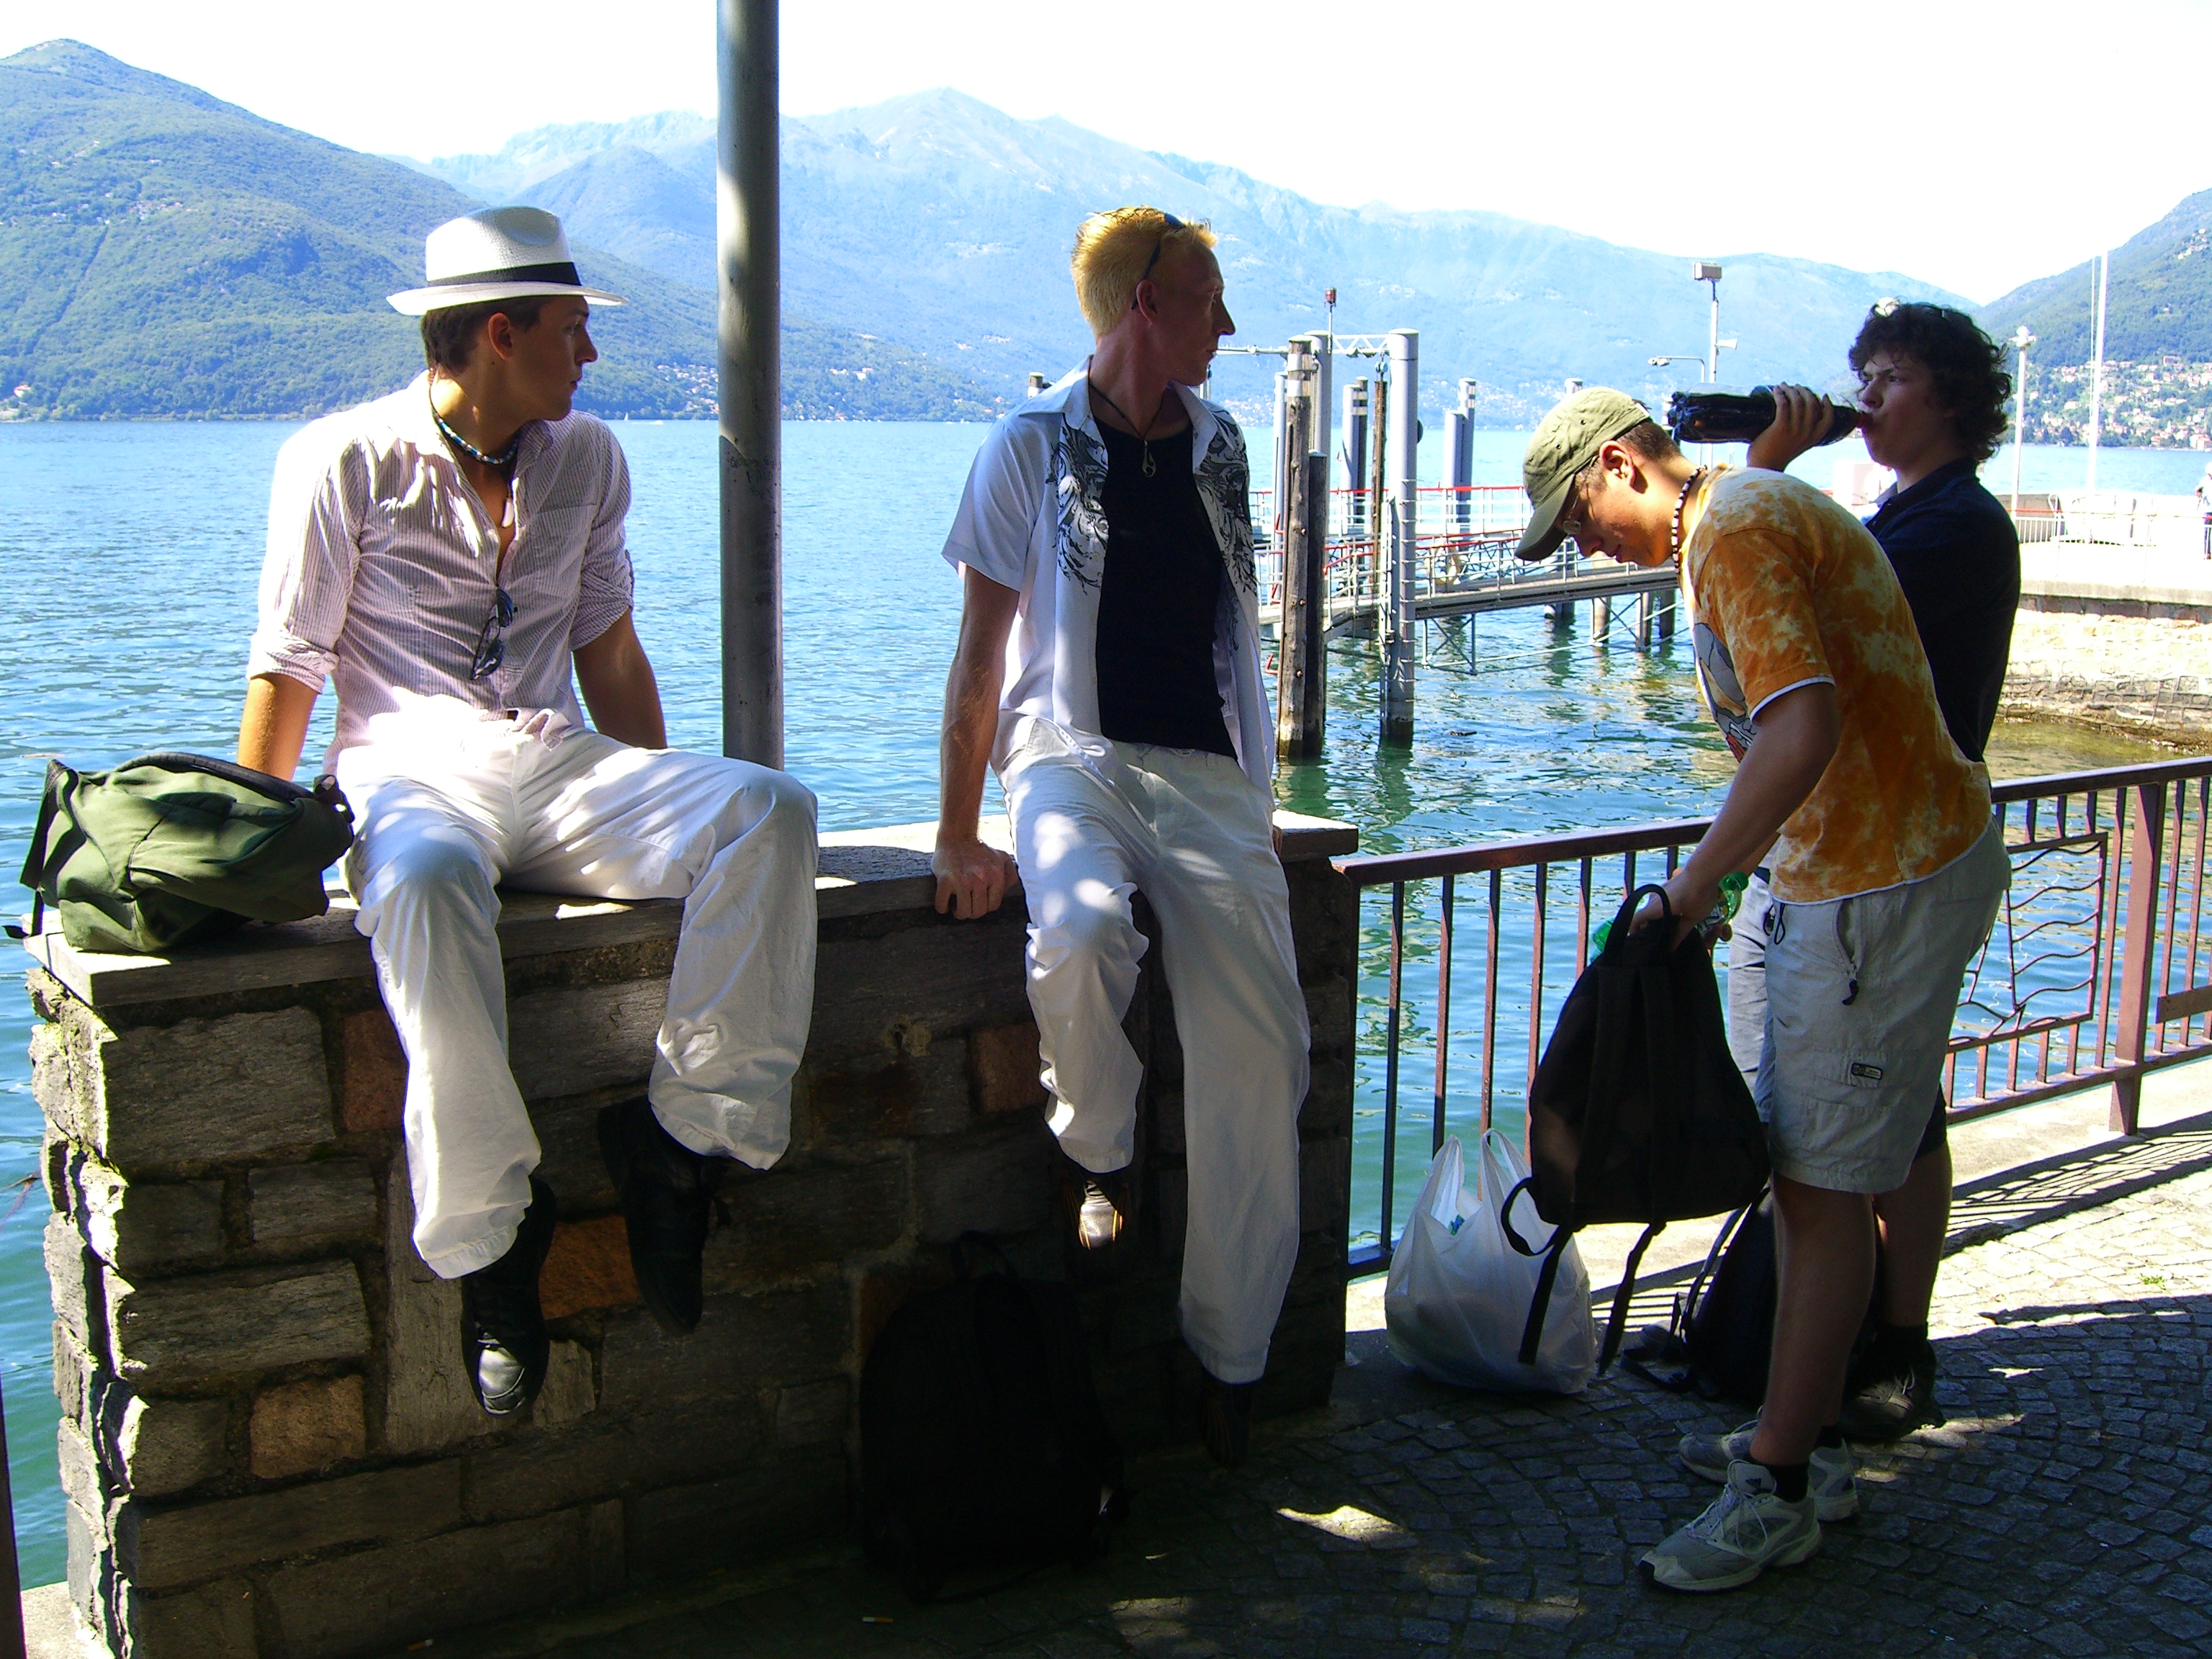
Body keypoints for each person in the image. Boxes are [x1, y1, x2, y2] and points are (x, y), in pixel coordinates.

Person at [238, 206, 819, 1417]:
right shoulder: (342, 461)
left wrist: (663, 805)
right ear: (501, 335)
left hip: (555, 763)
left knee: (768, 810)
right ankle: (497, 1242)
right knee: (430, 883)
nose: (589, 358)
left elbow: (606, 645)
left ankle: (678, 1149)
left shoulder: (589, 460)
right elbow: (290, 667)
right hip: (407, 770)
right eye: (571, 332)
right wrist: (252, 863)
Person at [1515, 388, 2007, 1591]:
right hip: (1843, 873)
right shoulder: (1740, 515)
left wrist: (1690, 891)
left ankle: (1783, 1483)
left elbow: (1802, 729)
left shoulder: (1732, 529)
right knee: (1806, 1181)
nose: (1580, 550)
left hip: (1878, 880)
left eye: (1575, 520)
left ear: (1621, 464)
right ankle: (1806, 1432)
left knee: (1825, 1186)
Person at [930, 207, 1308, 1469]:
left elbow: (1228, 635)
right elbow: (982, 655)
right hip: (1068, 760)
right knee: (1083, 924)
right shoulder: (1025, 447)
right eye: (1210, 298)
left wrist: (1255, 790)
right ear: (1146, 301)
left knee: (1260, 1047)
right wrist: (953, 831)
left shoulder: (1223, 448)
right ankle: (1098, 1156)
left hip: (1203, 774)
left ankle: (1231, 1352)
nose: (1230, 325)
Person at [1736, 302, 2021, 1440]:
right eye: (1864, 376)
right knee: (1900, 1110)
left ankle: (1885, 1353)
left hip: (1893, 856)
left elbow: (1805, 629)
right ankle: (1871, 1342)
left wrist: (1760, 481)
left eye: (1892, 378)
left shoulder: (1956, 526)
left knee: (1876, 1130)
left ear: (1951, 396)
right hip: (1870, 849)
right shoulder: (1910, 511)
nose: (1868, 399)